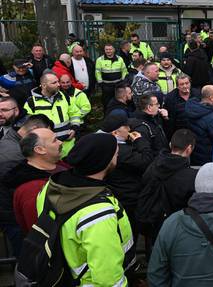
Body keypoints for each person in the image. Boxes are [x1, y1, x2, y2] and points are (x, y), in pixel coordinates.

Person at [36, 133, 136, 286]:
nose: (117, 156)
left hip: (60, 275)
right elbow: (108, 278)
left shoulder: (50, 187)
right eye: (116, 153)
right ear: (105, 162)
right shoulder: (98, 214)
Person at [137, 129, 198, 243]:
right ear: (189, 149)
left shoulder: (153, 165)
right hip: (177, 228)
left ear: (171, 144)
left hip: (152, 223)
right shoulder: (191, 177)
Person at [101, 114, 154, 236]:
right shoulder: (121, 152)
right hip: (128, 197)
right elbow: (146, 161)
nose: (129, 129)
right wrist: (140, 141)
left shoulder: (105, 144)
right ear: (115, 132)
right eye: (126, 127)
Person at [5, 128, 63, 233]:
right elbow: (39, 232)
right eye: (55, 140)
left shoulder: (60, 165)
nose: (60, 142)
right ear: (40, 150)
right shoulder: (32, 191)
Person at [24, 72, 80, 158]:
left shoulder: (64, 96)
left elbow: (74, 113)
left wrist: (74, 128)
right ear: (44, 85)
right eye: (54, 83)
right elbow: (29, 126)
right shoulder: (31, 102)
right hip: (47, 150)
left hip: (68, 145)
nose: (58, 84)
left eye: (58, 81)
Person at [186, 85, 213, 165]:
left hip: (196, 155)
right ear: (211, 97)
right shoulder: (212, 118)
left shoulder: (194, 109)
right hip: (209, 157)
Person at [163, 73, 199, 139]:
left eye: (187, 83)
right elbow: (169, 121)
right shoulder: (170, 98)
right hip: (179, 133)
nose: (185, 86)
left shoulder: (197, 94)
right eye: (182, 84)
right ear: (177, 86)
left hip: (197, 131)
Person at [95, 43, 128, 108]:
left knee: (119, 102)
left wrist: (123, 81)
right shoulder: (100, 60)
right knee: (107, 103)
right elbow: (97, 72)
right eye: (106, 49)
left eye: (110, 49)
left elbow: (124, 70)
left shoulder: (120, 59)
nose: (108, 51)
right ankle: (107, 116)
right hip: (106, 86)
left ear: (114, 50)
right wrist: (100, 83)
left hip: (118, 85)